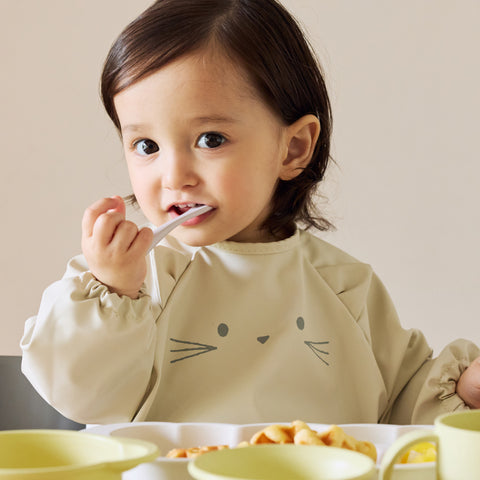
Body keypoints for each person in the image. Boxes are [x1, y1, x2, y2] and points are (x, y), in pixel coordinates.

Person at [21, 0, 480, 426]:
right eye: (146, 146)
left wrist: (460, 391)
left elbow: (401, 404)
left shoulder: (345, 286)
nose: (174, 175)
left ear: (293, 148)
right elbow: (79, 396)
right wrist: (112, 290)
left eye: (210, 140)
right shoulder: (129, 283)